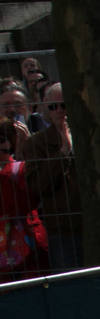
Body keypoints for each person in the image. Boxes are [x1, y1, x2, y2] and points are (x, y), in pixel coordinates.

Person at [20, 82, 81, 271]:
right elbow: (37, 184)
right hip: (62, 231)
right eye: (53, 106)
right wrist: (63, 152)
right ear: (45, 109)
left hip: (96, 224)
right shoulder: (36, 143)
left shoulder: (90, 136)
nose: (59, 110)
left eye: (64, 105)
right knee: (69, 283)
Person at [0, 118, 45, 279]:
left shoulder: (20, 169)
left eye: (2, 139)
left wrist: (26, 153)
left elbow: (28, 202)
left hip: (27, 247)